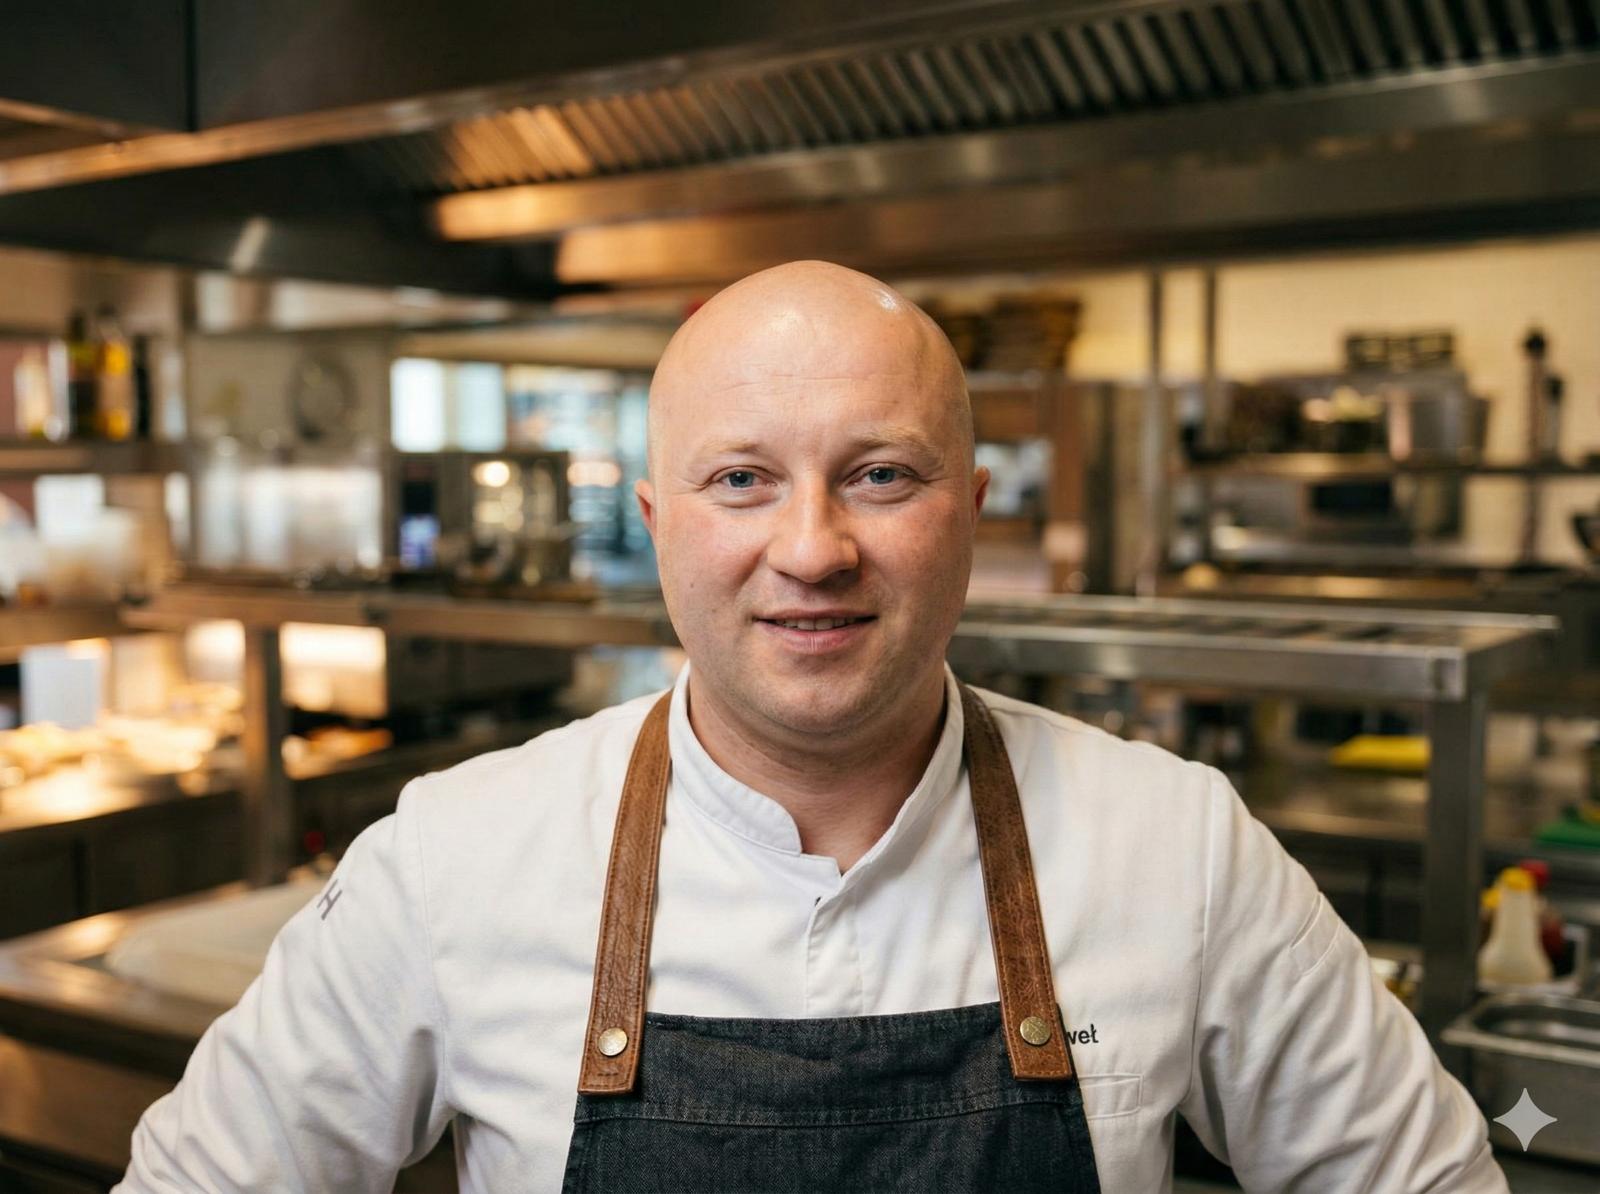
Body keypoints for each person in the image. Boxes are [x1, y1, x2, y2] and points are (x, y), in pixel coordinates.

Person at [117, 261, 1507, 1192]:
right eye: (741, 479)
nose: (812, 548)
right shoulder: (457, 857)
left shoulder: (1178, 847)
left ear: (973, 515)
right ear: (657, 525)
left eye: (881, 474)